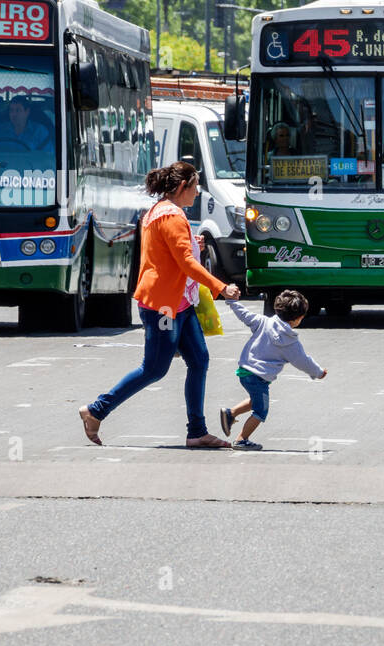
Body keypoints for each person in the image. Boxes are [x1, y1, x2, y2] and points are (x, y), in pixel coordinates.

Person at [79, 162, 240, 448]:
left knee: (199, 361)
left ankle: (197, 432)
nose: (197, 191)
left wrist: (195, 242)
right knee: (154, 368)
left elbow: (172, 251)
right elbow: (186, 263)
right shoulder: (171, 216)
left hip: (181, 303)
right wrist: (221, 286)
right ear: (182, 187)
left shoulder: (163, 211)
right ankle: (96, 410)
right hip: (164, 306)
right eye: (195, 186)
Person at [217, 290, 327, 450]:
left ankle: (230, 413)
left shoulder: (263, 322)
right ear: (298, 319)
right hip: (259, 377)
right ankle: (241, 439)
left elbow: (244, 314)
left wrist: (231, 302)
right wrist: (318, 372)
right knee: (261, 411)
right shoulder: (290, 343)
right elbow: (304, 361)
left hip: (244, 371)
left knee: (256, 400)